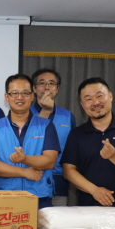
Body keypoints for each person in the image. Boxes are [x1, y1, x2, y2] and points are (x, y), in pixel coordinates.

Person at [61, 77, 115, 208]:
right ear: (82, 104)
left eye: (100, 96)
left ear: (110, 96)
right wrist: (94, 190)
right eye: (88, 99)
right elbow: (68, 170)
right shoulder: (76, 134)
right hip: (88, 207)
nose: (95, 102)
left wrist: (114, 156)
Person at [0, 74, 60, 209]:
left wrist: (25, 159)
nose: (19, 97)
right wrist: (24, 172)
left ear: (32, 96)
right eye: (14, 93)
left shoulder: (46, 125)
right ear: (7, 97)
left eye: (25, 93)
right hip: (4, 197)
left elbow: (50, 161)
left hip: (39, 197)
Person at [30, 68, 76, 206]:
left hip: (59, 181)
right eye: (42, 83)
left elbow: (73, 150)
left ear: (57, 88)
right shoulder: (25, 113)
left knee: (57, 225)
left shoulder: (68, 116)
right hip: (32, 180)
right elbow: (29, 142)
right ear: (34, 88)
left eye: (51, 83)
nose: (47, 87)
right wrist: (45, 111)